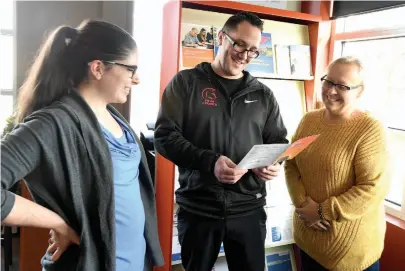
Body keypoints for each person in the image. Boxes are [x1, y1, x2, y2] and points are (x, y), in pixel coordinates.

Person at [1, 20, 164, 270]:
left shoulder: (116, 119)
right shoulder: (52, 123)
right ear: (98, 68)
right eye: (131, 69)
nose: (137, 79)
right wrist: (57, 223)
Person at [155, 12, 288, 271]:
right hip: (199, 209)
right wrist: (210, 162)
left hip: (249, 209)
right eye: (239, 44)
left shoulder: (263, 95)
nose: (244, 55)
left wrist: (274, 163)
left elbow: (278, 140)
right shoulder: (185, 83)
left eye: (252, 50)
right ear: (221, 37)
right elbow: (164, 137)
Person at [285, 56, 388, 271]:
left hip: (349, 251)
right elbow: (291, 163)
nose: (331, 91)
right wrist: (303, 206)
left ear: (359, 91)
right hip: (308, 239)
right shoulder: (309, 120)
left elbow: (372, 189)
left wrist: (322, 212)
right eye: (328, 81)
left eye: (342, 85)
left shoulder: (370, 130)